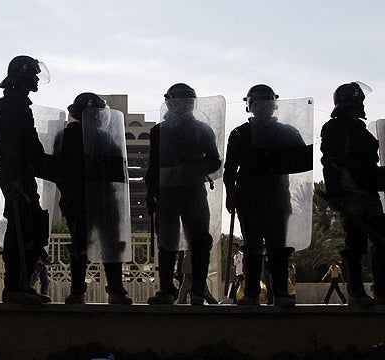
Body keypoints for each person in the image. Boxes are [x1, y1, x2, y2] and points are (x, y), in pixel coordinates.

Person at [224, 84, 307, 307]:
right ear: (251, 106)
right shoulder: (240, 134)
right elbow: (229, 169)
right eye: (258, 102)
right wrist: (230, 194)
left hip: (277, 196)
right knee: (252, 246)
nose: (261, 107)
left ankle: (280, 293)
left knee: (277, 247)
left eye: (265, 102)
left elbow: (302, 162)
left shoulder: (286, 132)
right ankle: (252, 293)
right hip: (249, 198)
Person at [145, 84, 221, 305]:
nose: (183, 105)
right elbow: (153, 166)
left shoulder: (203, 130)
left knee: (200, 241)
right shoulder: (158, 131)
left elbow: (215, 161)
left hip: (193, 190)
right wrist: (150, 194)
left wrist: (193, 167)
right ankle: (166, 289)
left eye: (187, 101)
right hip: (167, 192)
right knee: (166, 242)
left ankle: (197, 290)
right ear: (169, 103)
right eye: (180, 101)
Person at [55, 92, 133, 305]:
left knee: (106, 244)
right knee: (87, 245)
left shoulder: (99, 137)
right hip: (83, 200)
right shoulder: (74, 136)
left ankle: (106, 290)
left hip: (101, 200)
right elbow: (60, 171)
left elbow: (118, 173)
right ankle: (95, 290)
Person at [0, 55, 52, 305]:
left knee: (30, 226)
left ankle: (22, 284)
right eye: (33, 74)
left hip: (22, 172)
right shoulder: (10, 105)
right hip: (15, 174)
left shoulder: (19, 104)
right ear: (23, 76)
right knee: (19, 228)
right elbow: (10, 144)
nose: (37, 79)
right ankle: (14, 286)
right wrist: (15, 181)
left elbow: (30, 147)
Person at [320, 82, 385, 306]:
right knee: (354, 245)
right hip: (350, 194)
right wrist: (335, 194)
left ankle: (381, 290)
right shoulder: (334, 129)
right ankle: (356, 293)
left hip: (369, 193)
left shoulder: (360, 130)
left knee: (382, 241)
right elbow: (328, 163)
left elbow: (369, 165)